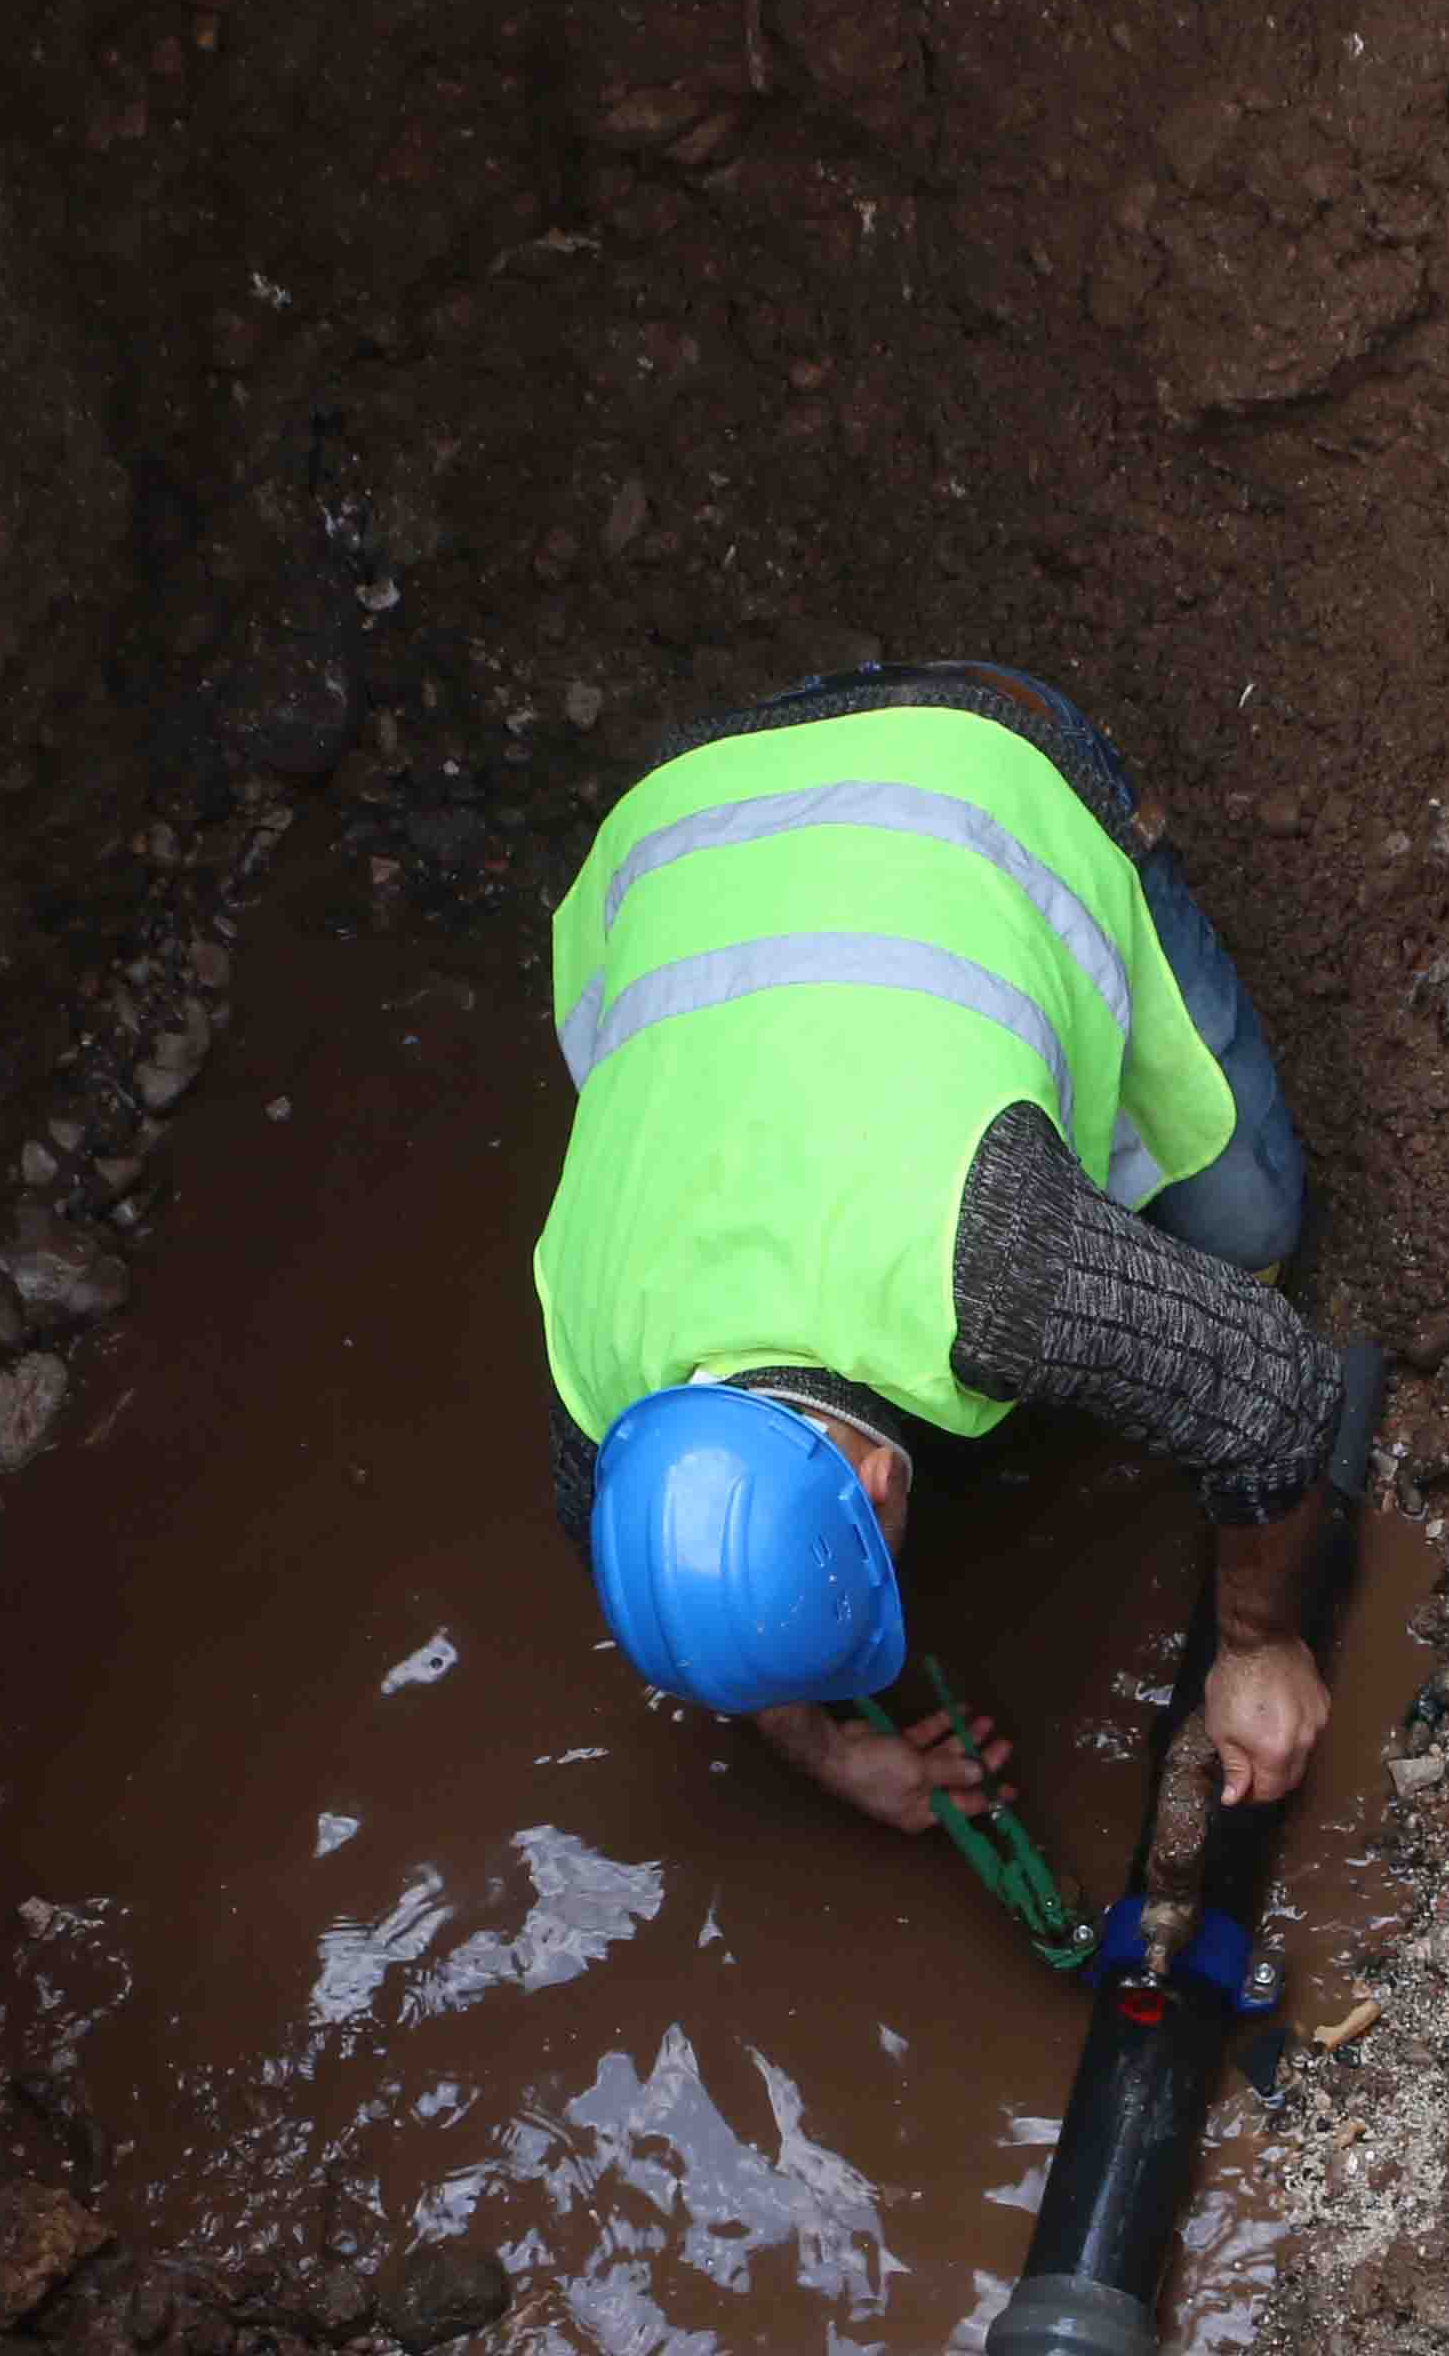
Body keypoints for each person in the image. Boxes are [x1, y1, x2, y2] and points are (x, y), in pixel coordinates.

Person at [534, 659, 1352, 1837]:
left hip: (977, 760)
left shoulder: (987, 1265)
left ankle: (1119, 843)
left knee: (1251, 1227)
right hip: (678, 814)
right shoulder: (593, 1403)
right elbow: (691, 1601)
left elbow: (1275, 1391)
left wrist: (1262, 1650)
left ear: (872, 1479)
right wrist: (830, 1758)